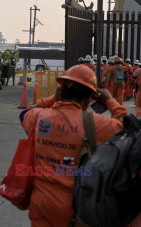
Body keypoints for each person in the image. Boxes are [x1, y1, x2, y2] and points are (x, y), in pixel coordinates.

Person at [21, 64, 127, 227]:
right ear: (90, 97)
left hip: (40, 206)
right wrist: (109, 100)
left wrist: (52, 99)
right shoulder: (94, 123)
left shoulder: (38, 117)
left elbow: (24, 114)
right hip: (76, 211)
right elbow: (127, 127)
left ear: (62, 91)